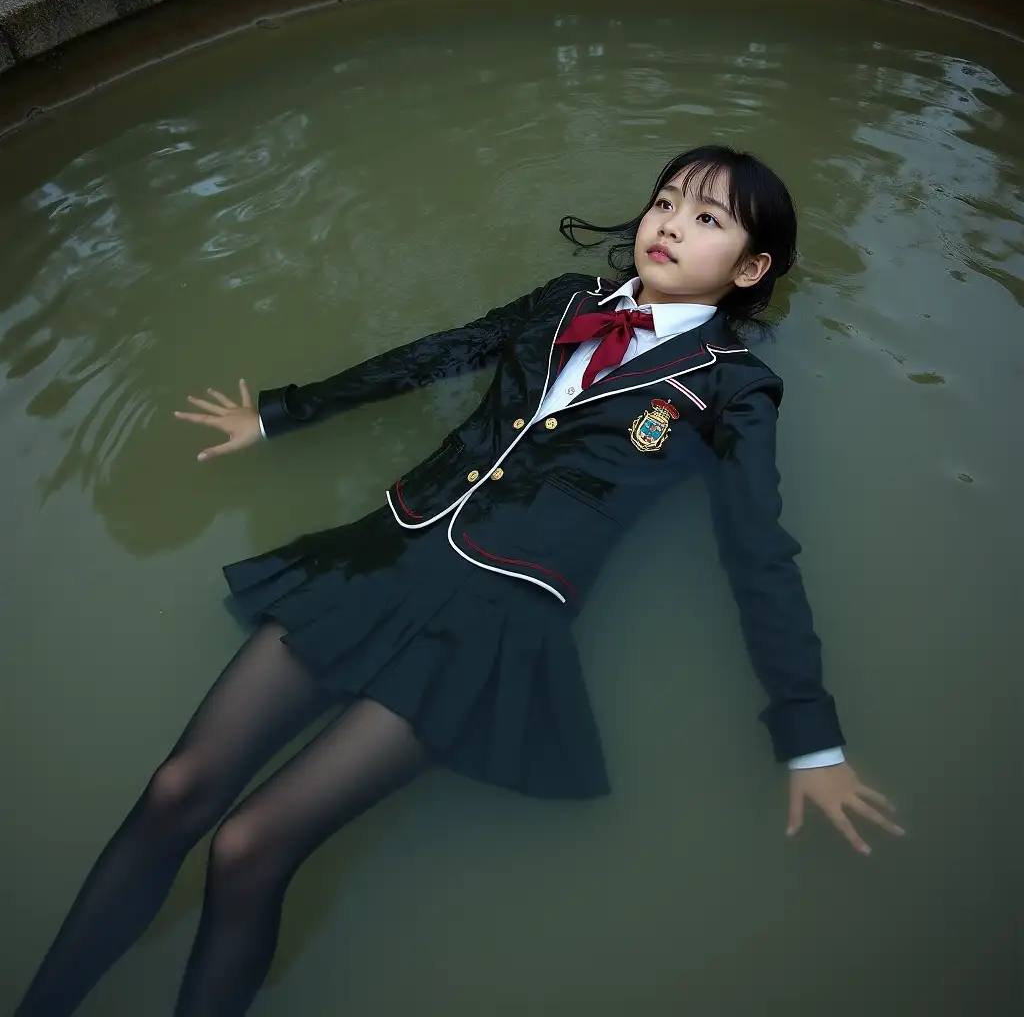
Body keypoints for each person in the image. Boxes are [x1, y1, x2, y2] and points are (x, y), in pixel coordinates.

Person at [16, 145, 904, 1017]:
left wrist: (810, 739)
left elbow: (758, 552)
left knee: (248, 846)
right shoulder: (567, 301)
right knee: (177, 790)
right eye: (666, 200)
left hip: (490, 625)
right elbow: (439, 353)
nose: (668, 224)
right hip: (381, 556)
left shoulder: (734, 391)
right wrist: (282, 415)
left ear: (751, 268)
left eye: (705, 218)